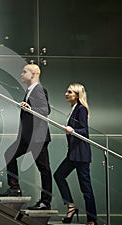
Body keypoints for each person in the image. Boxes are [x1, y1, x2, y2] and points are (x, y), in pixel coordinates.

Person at [0, 64, 52, 211]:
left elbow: (46, 110)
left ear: (34, 74)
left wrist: (30, 109)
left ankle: (45, 202)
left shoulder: (39, 89)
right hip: (27, 137)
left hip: (37, 138)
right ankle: (14, 188)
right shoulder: (30, 91)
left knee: (44, 169)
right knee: (9, 154)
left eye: (24, 72)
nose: (21, 74)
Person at [53, 83, 97, 225]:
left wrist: (73, 131)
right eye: (67, 91)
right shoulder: (73, 109)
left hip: (81, 154)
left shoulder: (81, 109)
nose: (66, 93)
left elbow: (84, 130)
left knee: (86, 187)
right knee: (59, 175)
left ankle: (92, 219)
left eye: (70, 92)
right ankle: (71, 206)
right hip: (73, 153)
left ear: (77, 95)